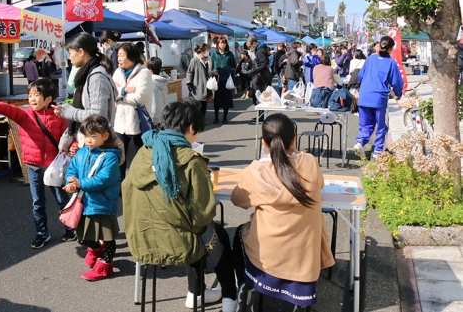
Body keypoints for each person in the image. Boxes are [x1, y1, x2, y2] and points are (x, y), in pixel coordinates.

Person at [122, 99, 238, 312]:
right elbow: (201, 216)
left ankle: (197, 292)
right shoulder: (191, 160)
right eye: (197, 132)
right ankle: (230, 298)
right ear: (191, 128)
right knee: (213, 233)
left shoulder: (143, 152)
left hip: (141, 238)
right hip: (179, 242)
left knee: (182, 224)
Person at [231, 113, 334, 311]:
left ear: (264, 143)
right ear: (294, 140)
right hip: (304, 258)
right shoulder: (310, 163)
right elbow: (319, 184)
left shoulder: (256, 172)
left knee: (239, 233)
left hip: (268, 257)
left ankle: (247, 284)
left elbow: (237, 199)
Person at [0, 78, 74, 248]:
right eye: (30, 95)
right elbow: (10, 110)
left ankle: (70, 228)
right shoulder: (26, 114)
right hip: (33, 165)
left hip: (53, 166)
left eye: (37, 95)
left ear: (49, 99)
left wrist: (73, 146)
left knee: (61, 199)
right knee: (38, 203)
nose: (32, 99)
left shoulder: (60, 117)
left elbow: (69, 135)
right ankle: (42, 233)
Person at [63, 115, 123, 281]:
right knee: (84, 235)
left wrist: (80, 183)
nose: (88, 140)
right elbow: (72, 169)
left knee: (108, 236)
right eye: (85, 136)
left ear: (105, 136)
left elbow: (103, 179)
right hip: (85, 202)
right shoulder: (82, 153)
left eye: (93, 136)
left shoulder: (110, 156)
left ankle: (106, 264)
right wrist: (71, 182)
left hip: (103, 202)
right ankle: (95, 249)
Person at [54, 33, 117, 157]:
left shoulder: (96, 77)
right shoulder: (87, 74)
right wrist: (66, 139)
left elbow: (98, 115)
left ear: (81, 52)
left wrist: (69, 112)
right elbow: (82, 107)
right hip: (89, 144)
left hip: (98, 147)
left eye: (71, 53)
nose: (69, 58)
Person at [353, 36, 404, 159]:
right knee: (381, 126)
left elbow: (360, 76)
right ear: (391, 48)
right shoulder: (391, 62)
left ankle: (360, 142)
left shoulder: (370, 59)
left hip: (364, 96)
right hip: (379, 98)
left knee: (365, 125)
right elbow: (396, 82)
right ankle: (377, 152)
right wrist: (398, 94)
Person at [112, 42, 153, 179]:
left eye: (122, 55)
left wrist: (120, 95)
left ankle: (139, 187)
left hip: (138, 124)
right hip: (120, 124)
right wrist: (125, 90)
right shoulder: (118, 71)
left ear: (132, 56)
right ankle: (120, 186)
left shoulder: (144, 72)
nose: (119, 59)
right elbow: (112, 93)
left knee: (140, 159)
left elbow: (140, 98)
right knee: (119, 159)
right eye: (118, 55)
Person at [245, 36, 273, 124]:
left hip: (262, 77)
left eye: (250, 46)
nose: (249, 48)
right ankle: (261, 116)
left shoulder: (260, 51)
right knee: (259, 96)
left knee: (259, 97)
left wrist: (253, 70)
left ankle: (261, 118)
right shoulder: (260, 49)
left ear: (254, 43)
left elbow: (263, 64)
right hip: (262, 76)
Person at [210, 35, 237, 124]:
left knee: (226, 99)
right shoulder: (214, 54)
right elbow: (211, 65)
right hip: (217, 80)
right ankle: (216, 117)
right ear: (218, 44)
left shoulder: (229, 54)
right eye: (221, 43)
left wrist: (229, 71)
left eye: (224, 43)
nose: (222, 45)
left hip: (226, 80)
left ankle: (225, 117)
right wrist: (212, 72)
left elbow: (234, 66)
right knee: (217, 100)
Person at [187, 43, 211, 120]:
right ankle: (197, 120)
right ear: (202, 50)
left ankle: (202, 119)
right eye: (206, 50)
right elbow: (189, 72)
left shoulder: (209, 59)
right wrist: (189, 83)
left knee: (204, 103)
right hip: (197, 85)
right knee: (197, 104)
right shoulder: (194, 60)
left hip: (207, 84)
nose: (208, 52)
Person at [148, 56, 168, 126]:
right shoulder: (163, 82)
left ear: (150, 70)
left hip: (153, 116)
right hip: (163, 114)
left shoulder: (150, 82)